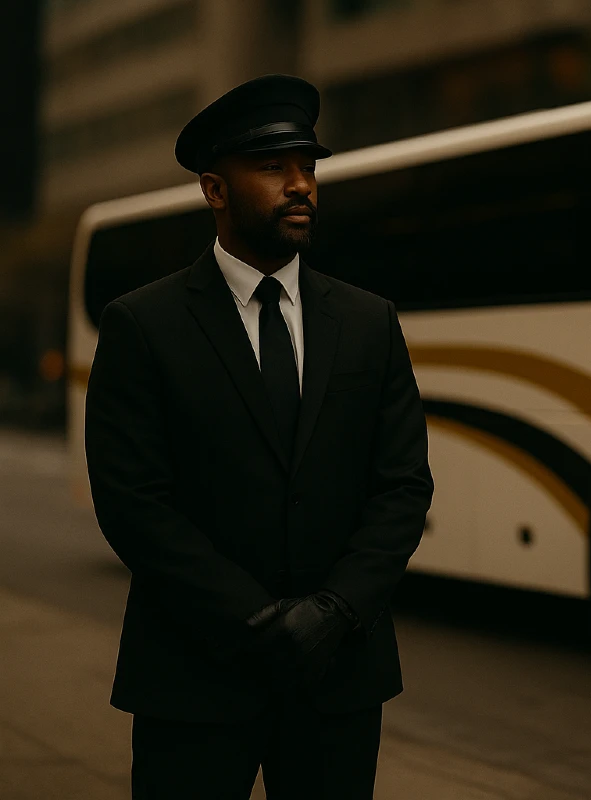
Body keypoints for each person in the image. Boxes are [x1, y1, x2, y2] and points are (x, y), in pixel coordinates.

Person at [84, 74, 435, 799]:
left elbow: (403, 485)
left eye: (308, 167)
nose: (301, 184)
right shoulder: (142, 325)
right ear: (215, 190)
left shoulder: (370, 323)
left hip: (339, 683)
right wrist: (256, 620)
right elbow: (133, 504)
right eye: (274, 168)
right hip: (192, 681)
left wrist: (334, 612)